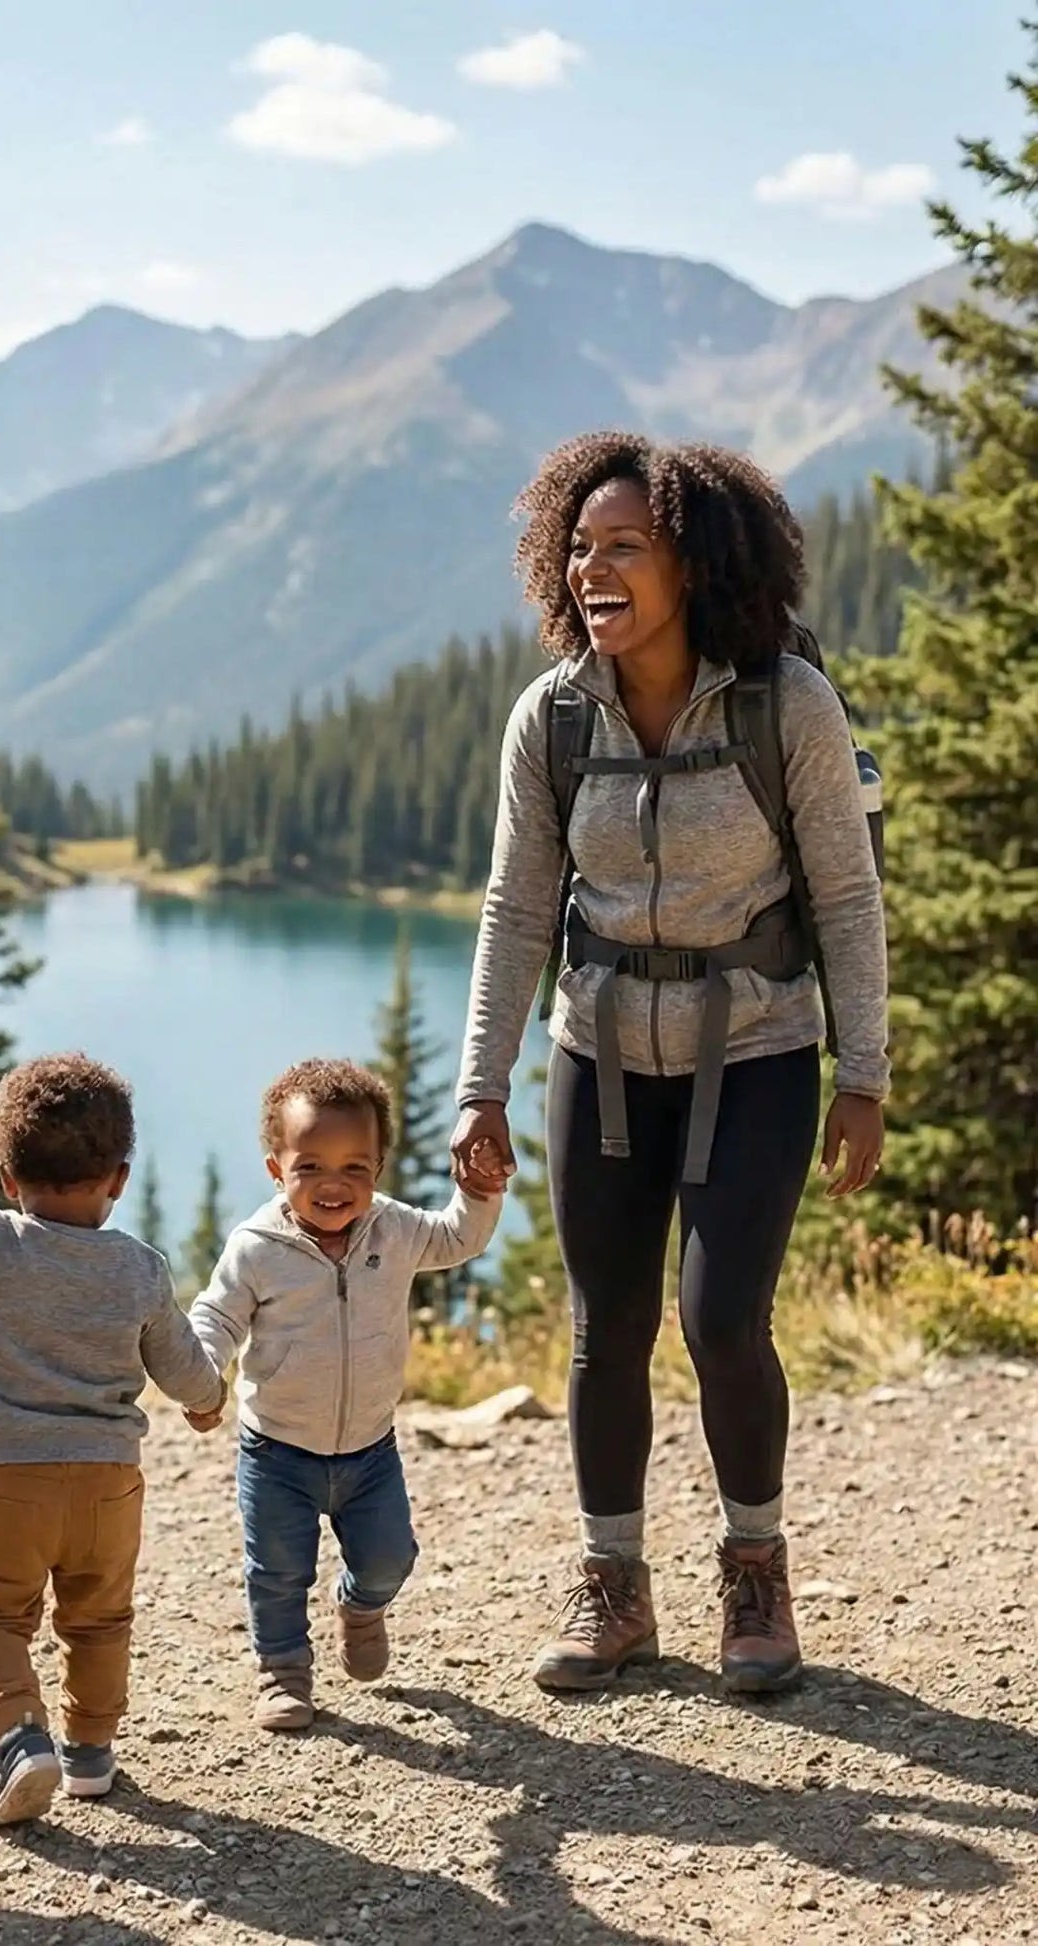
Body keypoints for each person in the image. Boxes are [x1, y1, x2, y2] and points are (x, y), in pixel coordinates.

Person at [450, 433, 888, 1698]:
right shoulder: (552, 716)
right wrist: (480, 1083)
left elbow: (846, 900)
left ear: (690, 561)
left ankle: (753, 1569)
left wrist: (860, 1071)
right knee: (604, 1330)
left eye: (624, 545)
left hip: (752, 1051)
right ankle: (613, 1587)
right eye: (578, 547)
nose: (594, 567)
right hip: (596, 1049)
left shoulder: (779, 703)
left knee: (719, 1319)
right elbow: (514, 910)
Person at [0, 1054, 226, 1827]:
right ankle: (91, 1755)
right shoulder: (139, 1267)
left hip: (9, 1485)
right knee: (97, 1620)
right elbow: (182, 1365)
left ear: (5, 1176)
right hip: (108, 1488)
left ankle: (22, 1739)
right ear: (118, 1179)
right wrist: (207, 1402)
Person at [188, 1059, 505, 1732]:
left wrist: (481, 1192)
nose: (333, 1186)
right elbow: (214, 1317)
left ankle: (361, 1607)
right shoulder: (256, 1248)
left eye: (354, 1169)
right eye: (310, 1168)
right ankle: (282, 1674)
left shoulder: (393, 1231)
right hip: (276, 1452)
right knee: (275, 1572)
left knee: (392, 1557)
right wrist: (201, 1374)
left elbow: (459, 1237)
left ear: (379, 1168)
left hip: (370, 1449)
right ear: (277, 1169)